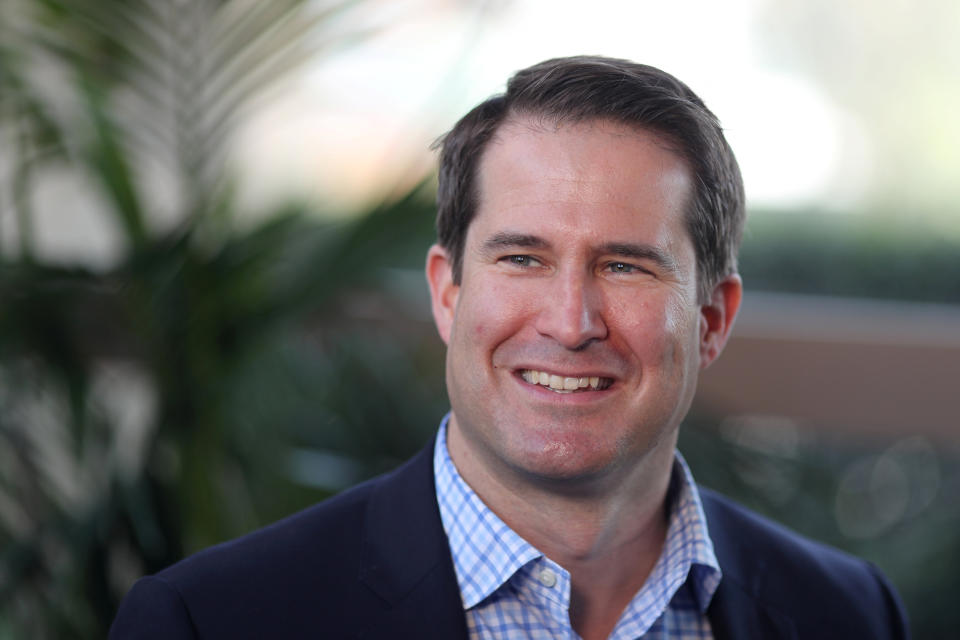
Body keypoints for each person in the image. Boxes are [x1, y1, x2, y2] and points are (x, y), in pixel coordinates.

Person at [110, 56, 909, 639]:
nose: (570, 322)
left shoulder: (850, 615)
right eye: (522, 257)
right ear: (448, 293)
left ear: (711, 319)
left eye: (624, 265)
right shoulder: (212, 623)